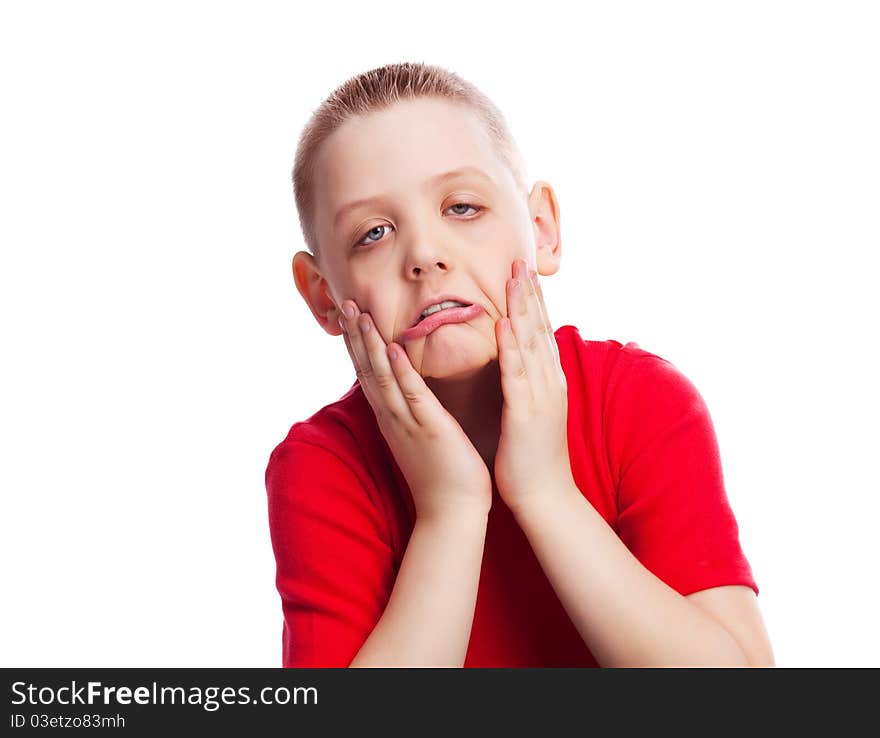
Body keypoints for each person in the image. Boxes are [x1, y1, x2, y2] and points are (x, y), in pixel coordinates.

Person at [265, 61, 775, 668]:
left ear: (541, 230)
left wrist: (546, 491)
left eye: (461, 208)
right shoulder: (324, 466)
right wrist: (449, 511)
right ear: (324, 296)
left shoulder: (638, 400)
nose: (425, 255)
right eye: (374, 233)